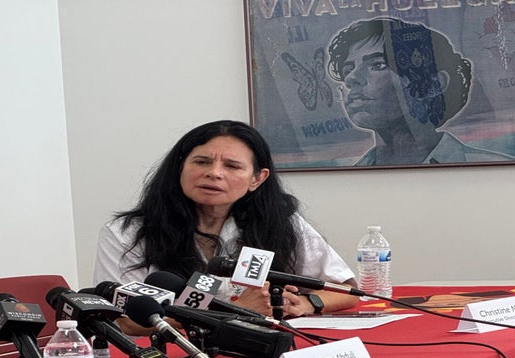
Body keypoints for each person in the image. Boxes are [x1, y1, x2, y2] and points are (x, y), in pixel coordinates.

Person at [93, 120, 356, 319]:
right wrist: (235, 309)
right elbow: (122, 321)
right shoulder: (125, 234)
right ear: (180, 168)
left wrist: (306, 303)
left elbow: (344, 288)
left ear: (257, 179)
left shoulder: (281, 222)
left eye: (232, 166)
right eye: (201, 162)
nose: (214, 173)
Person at [328, 17, 515, 166]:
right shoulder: (346, 180)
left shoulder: (491, 169)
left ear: (435, 84)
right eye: (347, 69)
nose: (351, 78)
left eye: (378, 65)